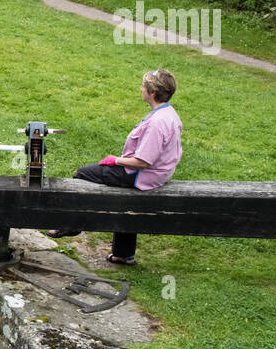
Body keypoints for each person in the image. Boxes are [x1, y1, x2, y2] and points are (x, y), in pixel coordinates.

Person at [49, 69, 183, 265]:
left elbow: (143, 162)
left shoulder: (157, 123)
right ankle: (123, 254)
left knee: (84, 174)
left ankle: (72, 223)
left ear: (152, 93)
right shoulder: (169, 113)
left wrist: (115, 160)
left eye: (143, 87)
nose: (141, 89)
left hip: (143, 175)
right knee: (126, 203)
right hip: (158, 174)